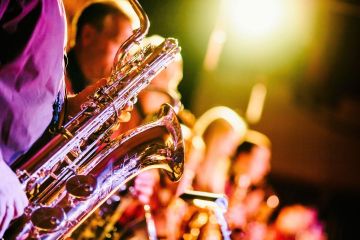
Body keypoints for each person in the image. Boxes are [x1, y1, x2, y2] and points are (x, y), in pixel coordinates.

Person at [65, 0, 133, 94]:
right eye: (120, 43)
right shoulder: (54, 81)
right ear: (87, 35)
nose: (127, 56)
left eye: (128, 48)